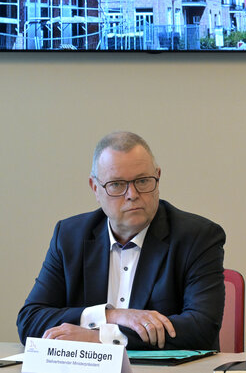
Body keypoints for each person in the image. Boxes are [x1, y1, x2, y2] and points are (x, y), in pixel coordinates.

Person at [17, 131, 226, 350]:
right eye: (117, 184)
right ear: (95, 188)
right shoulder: (70, 236)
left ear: (158, 177)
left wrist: (102, 338)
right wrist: (112, 316)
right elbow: (30, 320)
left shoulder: (198, 237)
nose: (132, 194)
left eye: (143, 181)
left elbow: (201, 328)